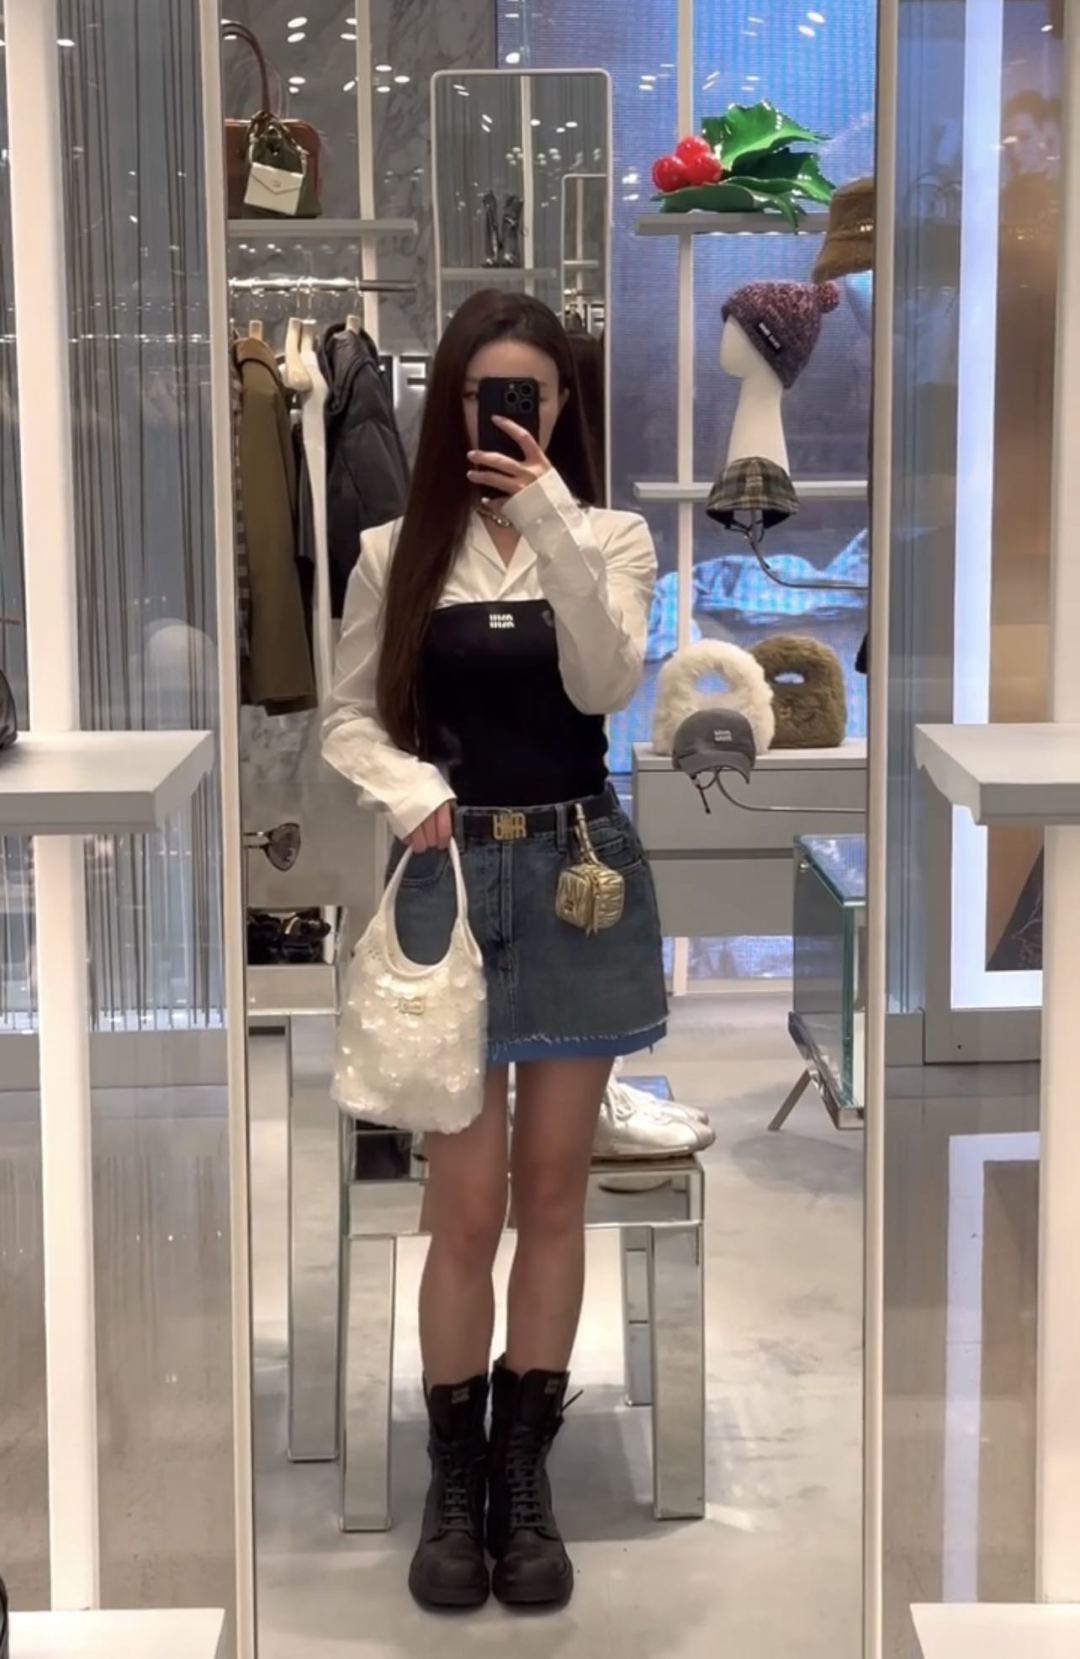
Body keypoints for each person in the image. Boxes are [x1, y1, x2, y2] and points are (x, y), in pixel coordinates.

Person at [322, 290, 666, 1613]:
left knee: (556, 1193)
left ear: (564, 407)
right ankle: (453, 1476)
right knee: (464, 1207)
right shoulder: (393, 550)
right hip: (448, 882)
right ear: (449, 402)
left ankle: (526, 1476)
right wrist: (409, 788)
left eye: (530, 393)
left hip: (579, 875)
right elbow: (347, 718)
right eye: (483, 394)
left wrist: (550, 521)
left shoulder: (613, 536)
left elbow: (603, 686)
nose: (506, 413)